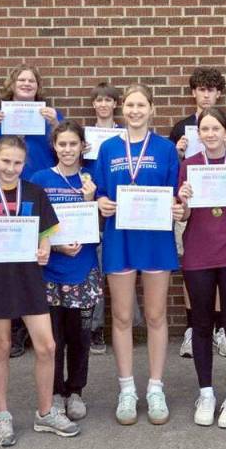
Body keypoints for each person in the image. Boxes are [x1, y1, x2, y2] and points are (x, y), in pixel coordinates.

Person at [0, 136, 79, 446]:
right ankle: (2, 415)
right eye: (5, 162)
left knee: (47, 346)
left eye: (17, 163)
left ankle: (44, 412)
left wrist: (44, 250)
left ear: (24, 165)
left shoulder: (36, 193)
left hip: (28, 278)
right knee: (1, 347)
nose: (10, 168)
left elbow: (46, 235)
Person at [94, 83, 182, 426]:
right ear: (122, 109)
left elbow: (177, 195)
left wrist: (180, 207)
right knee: (121, 316)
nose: (134, 111)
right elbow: (100, 192)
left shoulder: (165, 148)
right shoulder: (108, 148)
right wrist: (100, 201)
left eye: (141, 105)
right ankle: (127, 389)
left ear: (151, 109)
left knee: (157, 315)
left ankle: (156, 387)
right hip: (120, 236)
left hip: (156, 238)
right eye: (129, 105)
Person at [0, 63, 64, 357]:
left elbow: (66, 151)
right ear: (11, 85)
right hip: (6, 193)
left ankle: (31, 323)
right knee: (9, 256)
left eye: (31, 81)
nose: (26, 84)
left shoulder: (51, 116)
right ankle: (12, 327)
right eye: (21, 80)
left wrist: (54, 125)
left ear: (38, 87)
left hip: (38, 193)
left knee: (37, 257)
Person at [175, 108, 226, 428]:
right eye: (203, 129)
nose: (209, 134)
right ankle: (206, 392)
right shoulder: (188, 167)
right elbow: (183, 216)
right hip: (198, 255)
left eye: (215, 128)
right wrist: (184, 201)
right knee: (203, 326)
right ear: (198, 134)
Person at [31, 121, 101, 422]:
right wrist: (56, 247)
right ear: (54, 147)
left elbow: (99, 229)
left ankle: (76, 392)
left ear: (82, 147)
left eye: (73, 144)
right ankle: (56, 393)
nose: (68, 150)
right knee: (52, 338)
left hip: (83, 270)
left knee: (80, 336)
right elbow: (31, 225)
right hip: (49, 272)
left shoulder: (91, 181)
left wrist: (90, 201)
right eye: (62, 145)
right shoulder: (40, 180)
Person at [170, 67, 226, 359]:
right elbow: (175, 171)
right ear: (193, 93)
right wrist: (178, 152)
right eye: (201, 89)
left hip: (222, 212)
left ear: (219, 93)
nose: (206, 94)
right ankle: (193, 327)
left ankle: (221, 328)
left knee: (221, 266)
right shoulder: (181, 127)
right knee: (192, 266)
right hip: (191, 209)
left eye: (212, 89)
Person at [85, 82, 144, 355]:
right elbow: (96, 181)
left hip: (136, 215)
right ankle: (96, 328)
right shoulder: (94, 141)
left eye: (109, 100)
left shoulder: (131, 138)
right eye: (99, 100)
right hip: (103, 215)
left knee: (127, 270)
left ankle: (130, 324)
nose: (104, 104)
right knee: (102, 271)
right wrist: (97, 198)